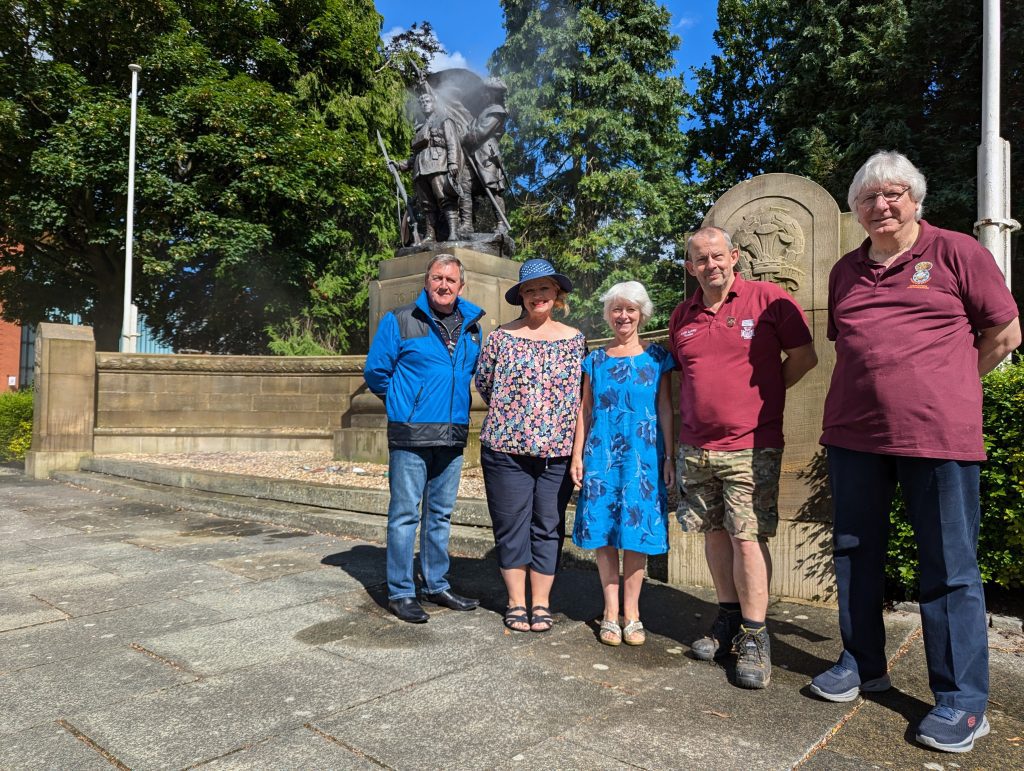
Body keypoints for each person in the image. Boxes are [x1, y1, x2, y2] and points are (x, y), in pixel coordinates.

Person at [810, 151, 1021, 753]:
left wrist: (952, 384)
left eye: (894, 193)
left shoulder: (957, 253)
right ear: (856, 209)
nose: (882, 204)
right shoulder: (846, 271)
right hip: (854, 434)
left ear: (916, 199)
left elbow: (1005, 332)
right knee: (853, 552)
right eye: (869, 197)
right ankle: (862, 664)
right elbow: (856, 346)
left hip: (938, 437)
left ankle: (961, 702)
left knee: (949, 566)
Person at [670, 226, 817, 689]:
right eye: (700, 259)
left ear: (734, 256)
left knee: (747, 538)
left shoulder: (768, 299)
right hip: (696, 447)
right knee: (713, 535)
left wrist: (765, 399)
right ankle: (729, 619)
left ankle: (755, 635)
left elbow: (804, 357)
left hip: (751, 445)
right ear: (690, 267)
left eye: (717, 256)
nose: (710, 265)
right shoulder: (682, 315)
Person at [363, 253, 485, 623]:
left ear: (461, 285)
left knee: (441, 514)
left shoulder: (473, 328)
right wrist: (406, 406)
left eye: (450, 280)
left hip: (451, 434)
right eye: (436, 278)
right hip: (411, 434)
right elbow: (377, 373)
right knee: (404, 515)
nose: (443, 285)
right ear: (426, 281)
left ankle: (436, 583)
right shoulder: (399, 320)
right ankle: (400, 591)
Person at [476, 258, 586, 633]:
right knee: (511, 525)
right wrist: (517, 420)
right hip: (506, 450)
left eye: (544, 288)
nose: (538, 296)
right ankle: (516, 602)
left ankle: (541, 603)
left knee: (548, 525)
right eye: (530, 290)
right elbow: (486, 385)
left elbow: (581, 398)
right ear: (521, 296)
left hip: (558, 453)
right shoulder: (501, 338)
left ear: (557, 293)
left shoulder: (575, 341)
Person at [570, 281, 675, 646]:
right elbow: (584, 410)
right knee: (604, 535)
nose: (623, 315)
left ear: (642, 314)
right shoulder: (595, 360)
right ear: (608, 315)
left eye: (630, 309)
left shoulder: (658, 357)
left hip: (643, 458)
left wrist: (670, 455)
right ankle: (610, 613)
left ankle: (633, 614)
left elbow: (665, 408)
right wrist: (577, 456)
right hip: (601, 457)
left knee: (636, 536)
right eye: (617, 309)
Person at [394, 87, 465, 242]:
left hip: (438, 164)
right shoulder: (419, 128)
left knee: (445, 198)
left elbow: (453, 142)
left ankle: (454, 232)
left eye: (427, 101)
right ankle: (430, 235)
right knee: (427, 205)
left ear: (434, 103)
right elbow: (415, 156)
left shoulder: (444, 119)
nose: (424, 104)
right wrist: (400, 165)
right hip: (420, 169)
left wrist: (453, 163)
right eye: (422, 102)